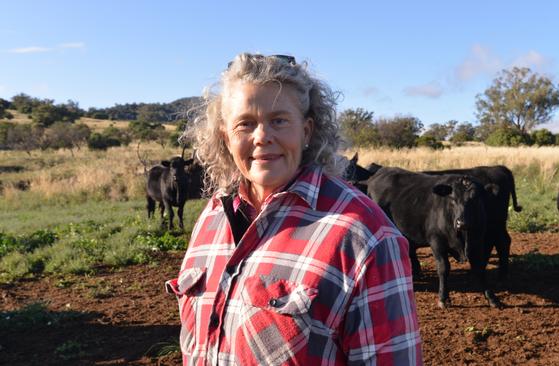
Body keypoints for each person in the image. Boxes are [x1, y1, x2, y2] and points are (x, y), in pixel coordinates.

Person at [166, 53, 422, 366]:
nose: (262, 137)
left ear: (307, 131)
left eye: (279, 121)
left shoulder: (364, 236)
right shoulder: (211, 218)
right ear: (226, 137)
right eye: (245, 124)